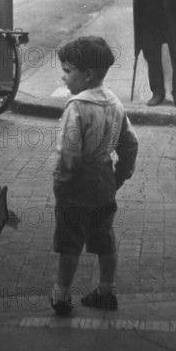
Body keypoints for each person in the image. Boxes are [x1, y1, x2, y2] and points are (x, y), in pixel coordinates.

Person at [51, 36, 138, 317]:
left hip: (77, 183)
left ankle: (62, 296)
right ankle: (106, 290)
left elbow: (70, 154)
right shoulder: (115, 103)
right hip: (103, 179)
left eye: (67, 71)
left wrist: (62, 183)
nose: (63, 78)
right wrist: (119, 175)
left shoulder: (76, 107)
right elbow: (130, 143)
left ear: (86, 75)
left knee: (70, 241)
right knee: (105, 238)